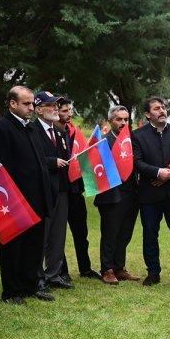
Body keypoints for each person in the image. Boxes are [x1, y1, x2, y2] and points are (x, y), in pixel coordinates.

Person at [0, 86, 54, 304]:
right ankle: (12, 291)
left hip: (38, 197)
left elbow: (39, 162)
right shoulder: (1, 129)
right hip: (15, 200)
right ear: (12, 104)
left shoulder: (31, 128)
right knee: (14, 247)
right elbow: (0, 170)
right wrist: (11, 200)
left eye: (32, 103)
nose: (31, 108)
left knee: (34, 246)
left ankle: (30, 285)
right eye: (26, 104)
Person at [131, 96, 170, 286]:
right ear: (148, 114)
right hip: (150, 194)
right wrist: (156, 173)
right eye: (157, 108)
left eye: (164, 107)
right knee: (150, 234)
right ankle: (153, 273)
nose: (162, 111)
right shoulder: (138, 135)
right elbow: (136, 162)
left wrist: (168, 175)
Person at [95, 105, 140, 285]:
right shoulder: (103, 142)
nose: (123, 123)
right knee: (110, 233)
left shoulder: (132, 140)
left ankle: (119, 267)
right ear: (110, 121)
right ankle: (107, 269)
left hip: (132, 194)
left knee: (125, 233)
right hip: (111, 196)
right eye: (118, 119)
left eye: (126, 120)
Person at [57, 98, 99, 280]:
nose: (69, 114)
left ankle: (86, 268)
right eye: (65, 110)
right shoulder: (49, 133)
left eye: (70, 110)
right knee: (58, 235)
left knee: (81, 233)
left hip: (75, 190)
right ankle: (62, 271)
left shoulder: (74, 131)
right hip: (59, 190)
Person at [34, 91, 71, 291]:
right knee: (43, 235)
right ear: (39, 109)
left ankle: (53, 274)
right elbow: (32, 159)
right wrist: (51, 162)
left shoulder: (58, 131)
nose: (56, 109)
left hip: (62, 189)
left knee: (58, 234)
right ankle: (38, 277)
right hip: (44, 190)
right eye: (51, 105)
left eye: (57, 105)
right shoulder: (32, 130)